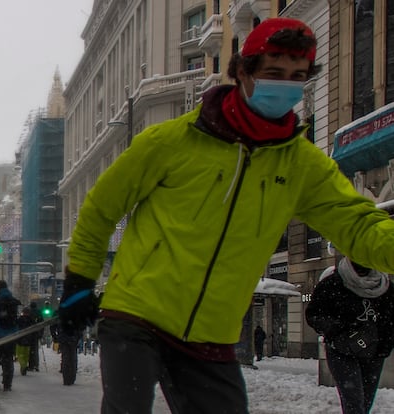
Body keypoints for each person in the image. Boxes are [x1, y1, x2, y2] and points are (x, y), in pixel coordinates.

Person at [58, 17, 394, 413]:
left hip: (210, 334)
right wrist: (79, 280)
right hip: (137, 314)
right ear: (241, 71)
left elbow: (356, 223)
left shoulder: (303, 165)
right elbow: (102, 206)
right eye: (273, 73)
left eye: (295, 76)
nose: (284, 85)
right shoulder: (170, 141)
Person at [306, 257, 394, 414]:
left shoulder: (385, 287)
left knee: (365, 403)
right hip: (342, 352)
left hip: (374, 353)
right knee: (354, 402)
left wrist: (385, 343)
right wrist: (339, 330)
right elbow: (314, 314)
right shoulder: (334, 283)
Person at [50, 314, 81, 386]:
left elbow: (52, 326)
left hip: (64, 338)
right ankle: (71, 377)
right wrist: (78, 336)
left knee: (66, 358)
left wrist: (55, 337)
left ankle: (66, 378)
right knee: (72, 358)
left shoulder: (60, 313)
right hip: (72, 338)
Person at [16, 306, 34, 375]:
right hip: (28, 340)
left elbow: (16, 328)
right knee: (26, 354)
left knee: (20, 354)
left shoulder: (20, 319)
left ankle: (23, 365)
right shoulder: (31, 320)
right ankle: (25, 365)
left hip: (20, 340)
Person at [28, 301, 43, 372]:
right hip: (36, 333)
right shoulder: (39, 312)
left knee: (30, 350)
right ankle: (36, 365)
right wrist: (41, 333)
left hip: (29, 334)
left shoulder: (29, 312)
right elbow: (42, 323)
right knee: (35, 349)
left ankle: (31, 365)